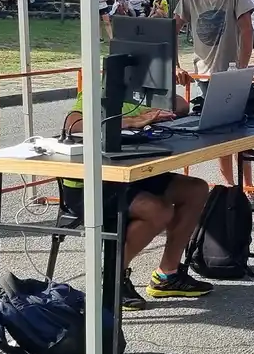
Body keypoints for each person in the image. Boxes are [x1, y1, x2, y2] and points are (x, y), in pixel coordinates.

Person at [61, 93, 213, 309]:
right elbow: (73, 124)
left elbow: (181, 106)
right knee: (157, 210)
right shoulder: (102, 89)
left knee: (195, 190)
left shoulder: (145, 90)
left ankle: (167, 276)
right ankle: (114, 279)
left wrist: (159, 94)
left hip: (132, 173)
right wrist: (133, 121)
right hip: (91, 184)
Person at [173, 0, 254, 187]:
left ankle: (249, 187)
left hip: (230, 75)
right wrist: (176, 66)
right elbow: (171, 31)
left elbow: (246, 29)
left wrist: (241, 68)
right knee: (221, 136)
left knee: (242, 133)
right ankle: (231, 187)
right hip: (205, 76)